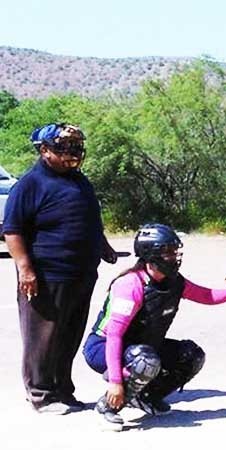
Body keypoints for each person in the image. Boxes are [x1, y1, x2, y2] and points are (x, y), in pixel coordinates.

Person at [81, 223, 226, 431]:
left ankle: (146, 397)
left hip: (141, 346)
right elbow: (115, 336)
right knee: (146, 361)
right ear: (150, 254)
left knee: (191, 355)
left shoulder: (174, 282)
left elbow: (206, 296)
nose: (175, 257)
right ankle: (107, 407)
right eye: (168, 252)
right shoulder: (131, 285)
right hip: (103, 347)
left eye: (175, 251)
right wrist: (116, 382)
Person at [2, 123, 117, 415]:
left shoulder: (80, 181)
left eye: (76, 148)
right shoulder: (30, 184)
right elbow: (12, 230)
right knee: (43, 337)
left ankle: (63, 390)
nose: (72, 154)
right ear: (44, 151)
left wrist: (103, 246)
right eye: (64, 148)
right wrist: (25, 270)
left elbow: (90, 218)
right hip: (46, 275)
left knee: (69, 335)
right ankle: (41, 395)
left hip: (81, 273)